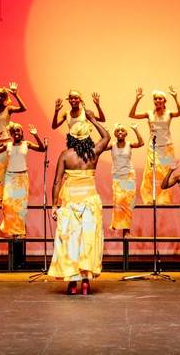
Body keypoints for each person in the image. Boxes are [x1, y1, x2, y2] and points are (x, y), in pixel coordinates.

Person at [48, 112, 110, 295]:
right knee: (88, 242)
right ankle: (85, 282)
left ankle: (72, 282)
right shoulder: (94, 152)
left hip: (70, 204)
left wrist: (53, 205)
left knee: (71, 242)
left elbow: (57, 181)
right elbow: (106, 136)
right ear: (88, 136)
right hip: (90, 202)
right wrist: (92, 118)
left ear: (70, 138)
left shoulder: (66, 155)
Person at [0, 123, 46, 238]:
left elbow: (42, 149)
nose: (16, 133)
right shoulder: (7, 145)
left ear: (22, 132)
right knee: (7, 203)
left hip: (22, 178)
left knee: (20, 207)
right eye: (14, 131)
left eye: (18, 131)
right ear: (11, 134)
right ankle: (11, 229)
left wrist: (36, 135)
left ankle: (19, 233)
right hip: (10, 177)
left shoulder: (26, 144)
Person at [129, 86, 180, 204]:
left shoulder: (169, 113)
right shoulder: (149, 113)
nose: (158, 101)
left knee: (164, 174)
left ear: (164, 101)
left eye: (160, 99)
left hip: (167, 148)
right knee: (150, 172)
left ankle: (164, 200)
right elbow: (132, 115)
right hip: (153, 147)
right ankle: (149, 199)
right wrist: (137, 99)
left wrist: (175, 97)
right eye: (156, 99)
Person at [105, 123, 144, 237]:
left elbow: (141, 143)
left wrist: (136, 129)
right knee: (118, 202)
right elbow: (100, 147)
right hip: (117, 177)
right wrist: (105, 134)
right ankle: (116, 224)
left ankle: (126, 231)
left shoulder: (129, 144)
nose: (120, 132)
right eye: (118, 131)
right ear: (115, 134)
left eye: (122, 130)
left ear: (126, 134)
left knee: (128, 204)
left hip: (129, 177)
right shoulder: (112, 145)